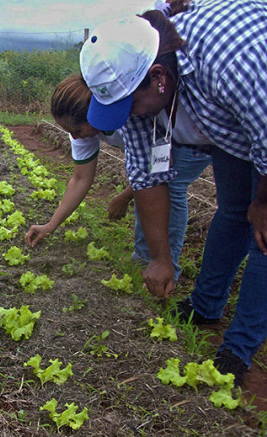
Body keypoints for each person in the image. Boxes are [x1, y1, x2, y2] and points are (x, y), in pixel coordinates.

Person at [79, 1, 267, 384]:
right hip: (231, 127)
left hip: (258, 110)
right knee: (233, 212)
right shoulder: (135, 92)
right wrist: (160, 258)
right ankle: (204, 307)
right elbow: (149, 179)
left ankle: (239, 345)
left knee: (265, 233)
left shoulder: (233, 63)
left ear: (158, 77)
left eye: (127, 105)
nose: (126, 115)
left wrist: (263, 201)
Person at [25, 74, 210, 283]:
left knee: (170, 188)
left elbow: (156, 176)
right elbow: (80, 179)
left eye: (76, 130)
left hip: (189, 138)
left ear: (94, 115)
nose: (74, 137)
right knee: (145, 193)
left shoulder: (133, 117)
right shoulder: (82, 130)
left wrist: (124, 197)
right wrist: (51, 225)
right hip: (155, 152)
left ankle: (165, 271)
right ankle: (145, 259)